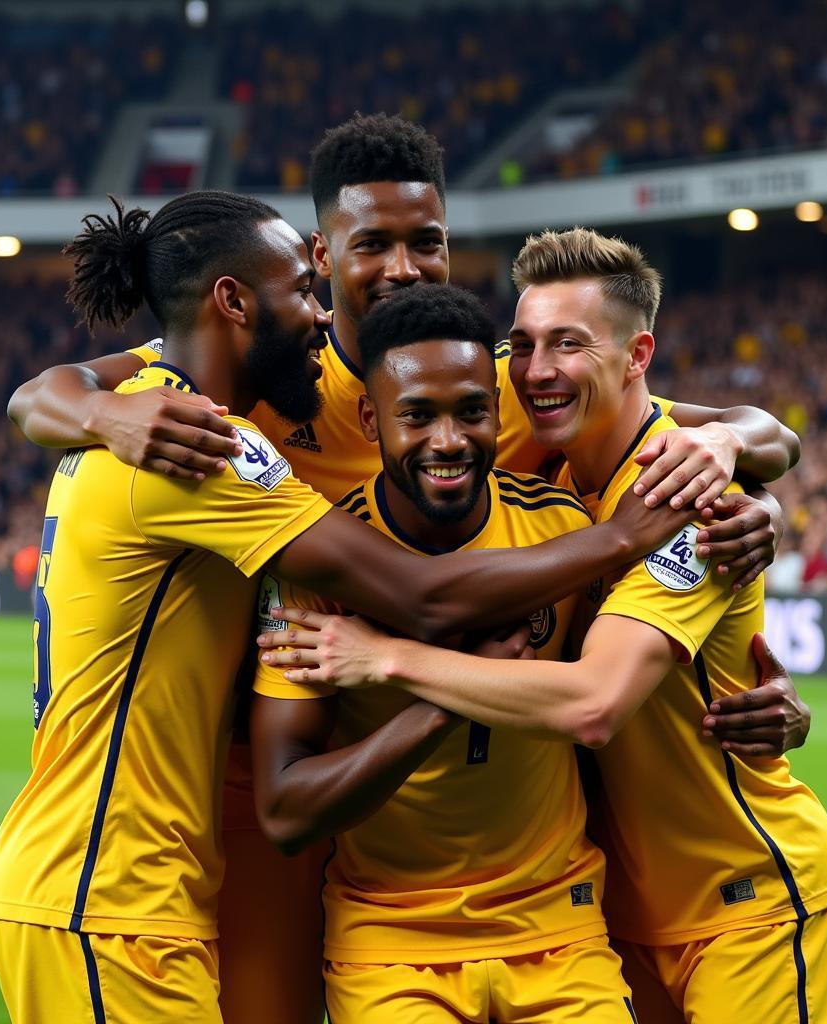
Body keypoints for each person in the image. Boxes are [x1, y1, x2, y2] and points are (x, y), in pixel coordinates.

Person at [3, 116, 802, 1022]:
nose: (402, 267)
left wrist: (733, 465)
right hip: (259, 773)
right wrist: (99, 414)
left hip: (525, 816)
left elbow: (747, 432)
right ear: (321, 256)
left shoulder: (491, 377)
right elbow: (41, 391)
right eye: (370, 244)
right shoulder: (250, 391)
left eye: (427, 243)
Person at [259, 229, 827, 1024]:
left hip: (742, 899)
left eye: (568, 345)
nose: (538, 370)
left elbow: (592, 701)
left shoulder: (687, 496)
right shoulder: (572, 489)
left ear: (637, 355)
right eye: (525, 346)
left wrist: (390, 658)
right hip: (628, 916)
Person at [252, 283, 643, 1022]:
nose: (448, 440)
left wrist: (770, 703)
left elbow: (625, 686)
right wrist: (445, 704)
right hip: (390, 938)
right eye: (417, 415)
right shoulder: (314, 572)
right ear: (372, 418)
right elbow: (285, 809)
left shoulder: (563, 530)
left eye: (470, 411)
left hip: (559, 924)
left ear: (499, 411)